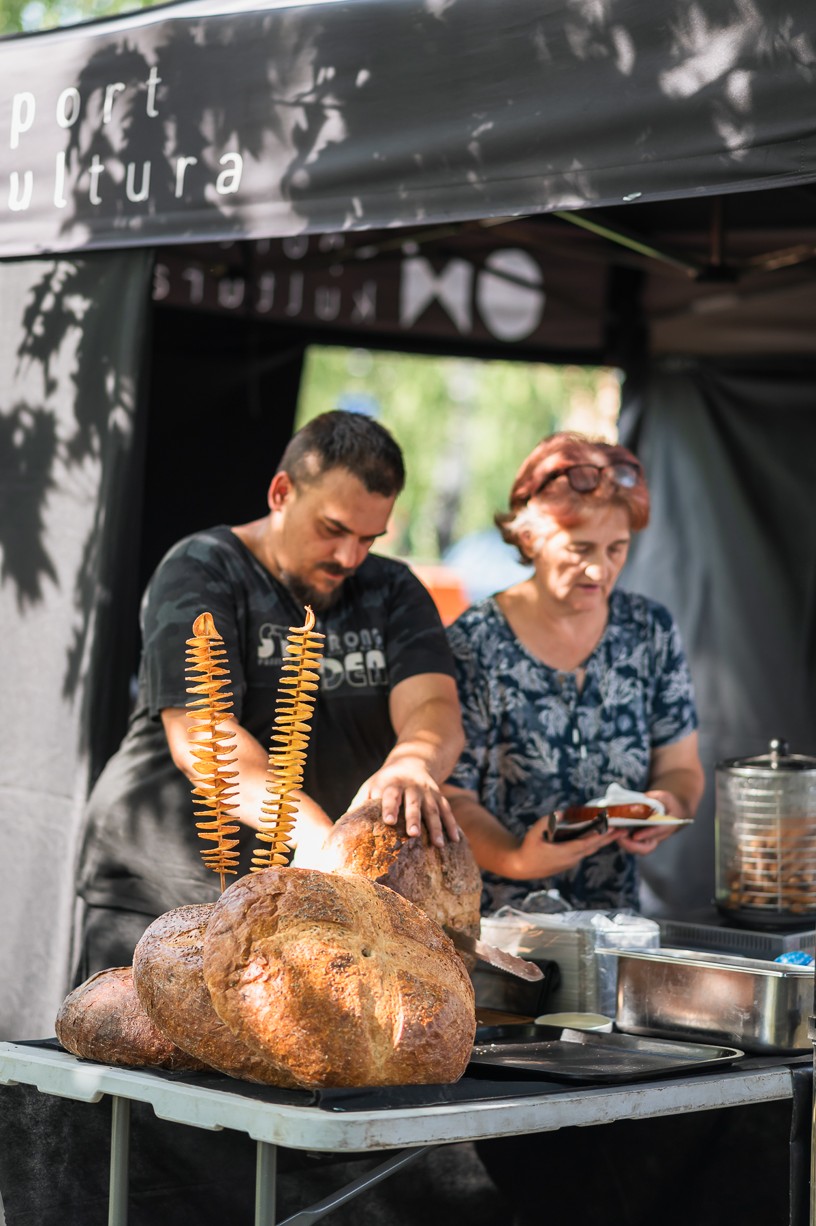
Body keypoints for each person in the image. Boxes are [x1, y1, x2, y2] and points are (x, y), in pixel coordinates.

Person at [75, 409, 464, 980]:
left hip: (303, 901)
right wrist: (323, 840)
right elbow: (204, 738)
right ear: (281, 492)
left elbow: (434, 707)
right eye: (333, 529)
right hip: (166, 893)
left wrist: (411, 764)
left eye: (368, 538)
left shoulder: (393, 589)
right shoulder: (203, 567)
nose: (349, 557)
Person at [444, 431, 704, 915]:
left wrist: (666, 807)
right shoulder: (473, 641)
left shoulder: (649, 629)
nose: (599, 570)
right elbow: (451, 796)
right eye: (580, 548)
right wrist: (518, 858)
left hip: (614, 923)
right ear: (529, 536)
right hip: (499, 925)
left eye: (616, 549)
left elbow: (682, 767)